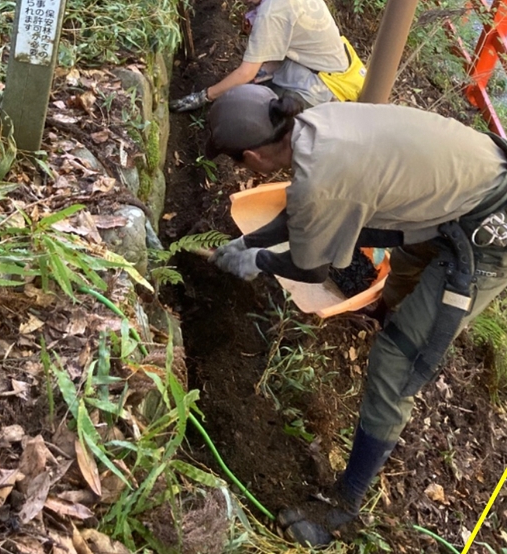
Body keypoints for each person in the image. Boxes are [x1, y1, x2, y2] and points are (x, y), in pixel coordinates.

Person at [205, 83, 507, 547]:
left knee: (397, 360)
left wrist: (259, 262)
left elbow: (312, 265)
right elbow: (305, 209)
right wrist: (249, 242)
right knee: (405, 269)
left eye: (236, 161)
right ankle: (389, 319)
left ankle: (344, 506)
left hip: (491, 226)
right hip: (463, 185)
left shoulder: (319, 175)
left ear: (252, 156)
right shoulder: (318, 123)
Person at [169, 0, 364, 113]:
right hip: (327, 67)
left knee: (260, 112)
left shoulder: (272, 11)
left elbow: (247, 73)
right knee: (258, 83)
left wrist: (204, 96)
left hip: (326, 87)